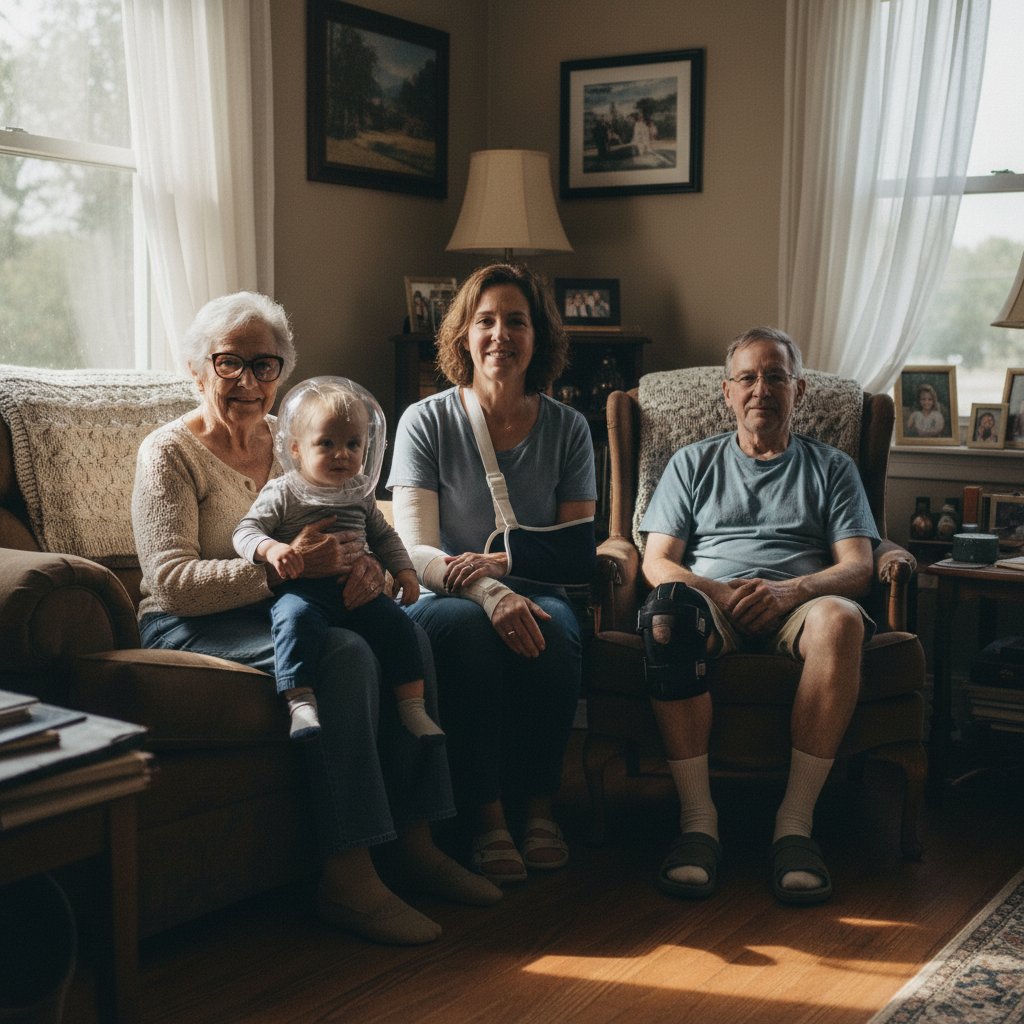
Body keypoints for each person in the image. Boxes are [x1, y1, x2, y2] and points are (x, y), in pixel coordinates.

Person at [132, 291, 500, 947]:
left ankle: (417, 844)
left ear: (283, 373)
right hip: (191, 624)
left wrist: (370, 572)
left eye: (265, 365)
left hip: (291, 607)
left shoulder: (292, 443)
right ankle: (348, 877)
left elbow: (354, 524)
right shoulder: (169, 454)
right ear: (197, 368)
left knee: (405, 634)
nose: (249, 380)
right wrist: (284, 568)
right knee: (345, 655)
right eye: (229, 363)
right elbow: (172, 582)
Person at [638, 326, 879, 906]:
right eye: (747, 377)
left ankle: (794, 829)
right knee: (666, 615)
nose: (761, 389)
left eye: (776, 376)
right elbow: (657, 561)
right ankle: (699, 825)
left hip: (802, 603)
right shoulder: (691, 464)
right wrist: (721, 595)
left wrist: (789, 591)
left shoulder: (833, 468)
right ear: (726, 392)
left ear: (798, 390)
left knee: (842, 620)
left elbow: (858, 566)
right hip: (712, 601)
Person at [387, 263, 597, 885]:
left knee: (555, 630)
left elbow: (576, 551)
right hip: (443, 594)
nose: (500, 334)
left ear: (539, 337)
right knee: (469, 632)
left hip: (534, 592)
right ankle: (487, 819)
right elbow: (415, 550)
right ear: (462, 337)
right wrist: (485, 589)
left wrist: (506, 569)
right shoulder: (424, 421)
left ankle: (539, 808)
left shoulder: (569, 428)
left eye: (516, 321)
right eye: (485, 321)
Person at [232, 376, 443, 749]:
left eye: (352, 444)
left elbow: (384, 536)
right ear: (296, 449)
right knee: (292, 622)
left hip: (358, 594)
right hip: (303, 590)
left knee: (399, 627)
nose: (342, 454)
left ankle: (412, 706)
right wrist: (272, 550)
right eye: (326, 444)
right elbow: (246, 530)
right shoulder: (283, 491)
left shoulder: (359, 493)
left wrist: (405, 572)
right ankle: (300, 702)